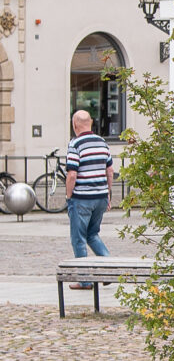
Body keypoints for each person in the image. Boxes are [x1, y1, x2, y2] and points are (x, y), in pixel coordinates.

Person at [65, 107, 116, 261]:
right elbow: (110, 171)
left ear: (74, 124)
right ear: (91, 123)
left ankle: (85, 280)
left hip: (82, 198)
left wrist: (69, 196)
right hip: (100, 197)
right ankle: (109, 269)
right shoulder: (102, 142)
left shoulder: (75, 144)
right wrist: (107, 193)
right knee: (92, 234)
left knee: (78, 238)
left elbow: (72, 174)